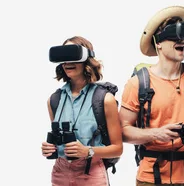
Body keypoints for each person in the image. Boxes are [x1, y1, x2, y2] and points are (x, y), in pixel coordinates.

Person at [119, 6, 184, 186]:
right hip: (151, 177)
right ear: (158, 43)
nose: (182, 41)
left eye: (183, 35)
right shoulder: (138, 83)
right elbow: (122, 131)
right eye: (174, 36)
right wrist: (156, 133)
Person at [41, 36, 123, 186]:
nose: (68, 62)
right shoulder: (54, 100)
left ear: (87, 59)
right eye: (64, 57)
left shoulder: (104, 99)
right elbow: (59, 140)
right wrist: (50, 147)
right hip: (60, 174)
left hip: (91, 174)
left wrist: (88, 151)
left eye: (73, 56)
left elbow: (117, 149)